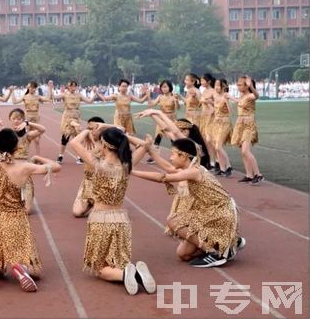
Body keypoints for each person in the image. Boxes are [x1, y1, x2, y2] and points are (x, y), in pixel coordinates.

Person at [0, 128, 61, 293]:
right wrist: (38, 157)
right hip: (17, 220)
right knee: (36, 271)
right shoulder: (24, 167)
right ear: (17, 147)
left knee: (1, 269)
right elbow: (56, 167)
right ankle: (19, 267)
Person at [132, 138, 246, 268]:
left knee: (174, 220)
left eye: (173, 154)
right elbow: (169, 169)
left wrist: (132, 171)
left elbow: (163, 177)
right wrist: (151, 152)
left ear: (184, 156)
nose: (170, 158)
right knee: (183, 254)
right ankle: (229, 244)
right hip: (210, 213)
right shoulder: (191, 168)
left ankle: (214, 253)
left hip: (220, 213)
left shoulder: (195, 171)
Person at [69, 127, 155, 295]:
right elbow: (144, 146)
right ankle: (130, 271)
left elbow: (74, 142)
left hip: (100, 219)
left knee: (99, 267)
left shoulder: (97, 165)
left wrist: (87, 130)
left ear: (105, 145)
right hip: (122, 220)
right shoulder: (126, 165)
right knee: (117, 260)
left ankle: (128, 274)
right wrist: (125, 136)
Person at [0, 109, 46, 214]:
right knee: (5, 206)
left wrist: (28, 123)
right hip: (8, 170)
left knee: (27, 210)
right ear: (10, 120)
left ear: (23, 119)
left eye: (19, 118)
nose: (16, 121)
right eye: (13, 118)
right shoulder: (5, 134)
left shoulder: (28, 135)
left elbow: (42, 129)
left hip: (23, 171)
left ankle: (21, 198)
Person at [51, 80, 96, 164]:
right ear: (68, 87)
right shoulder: (65, 94)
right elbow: (53, 97)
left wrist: (94, 93)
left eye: (74, 86)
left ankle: (79, 157)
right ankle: (60, 155)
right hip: (67, 117)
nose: (73, 88)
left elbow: (89, 101)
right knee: (65, 138)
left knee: (77, 137)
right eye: (71, 86)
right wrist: (50, 87)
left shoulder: (79, 95)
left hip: (76, 116)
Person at [230, 76, 264, 185]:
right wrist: (230, 98)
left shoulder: (250, 95)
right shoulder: (242, 96)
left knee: (245, 151)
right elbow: (239, 102)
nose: (238, 86)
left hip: (249, 125)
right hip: (240, 124)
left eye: (240, 84)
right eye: (238, 84)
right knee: (243, 152)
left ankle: (258, 174)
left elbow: (256, 96)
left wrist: (252, 87)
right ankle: (249, 175)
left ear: (247, 86)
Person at [11, 81, 54, 155]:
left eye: (34, 87)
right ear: (28, 87)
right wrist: (12, 92)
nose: (32, 89)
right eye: (31, 87)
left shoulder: (38, 97)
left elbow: (47, 99)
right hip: (27, 118)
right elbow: (15, 102)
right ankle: (23, 154)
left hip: (36, 118)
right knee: (25, 138)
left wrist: (50, 88)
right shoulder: (25, 97)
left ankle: (38, 157)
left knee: (37, 140)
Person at [145, 80, 179, 164]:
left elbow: (178, 108)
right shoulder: (160, 97)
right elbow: (151, 105)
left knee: (173, 139)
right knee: (158, 138)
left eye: (165, 87)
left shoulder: (173, 96)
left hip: (171, 119)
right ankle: (154, 156)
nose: (164, 89)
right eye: (162, 87)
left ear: (170, 87)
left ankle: (177, 156)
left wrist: (176, 100)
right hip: (161, 119)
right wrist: (148, 96)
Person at [209, 79, 233, 177]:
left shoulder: (226, 96)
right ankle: (223, 169)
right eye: (215, 85)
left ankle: (228, 166)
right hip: (216, 123)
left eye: (218, 85)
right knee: (216, 146)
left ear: (224, 86)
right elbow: (213, 106)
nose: (216, 87)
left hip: (225, 123)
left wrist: (227, 101)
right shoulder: (214, 95)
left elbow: (231, 111)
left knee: (218, 146)